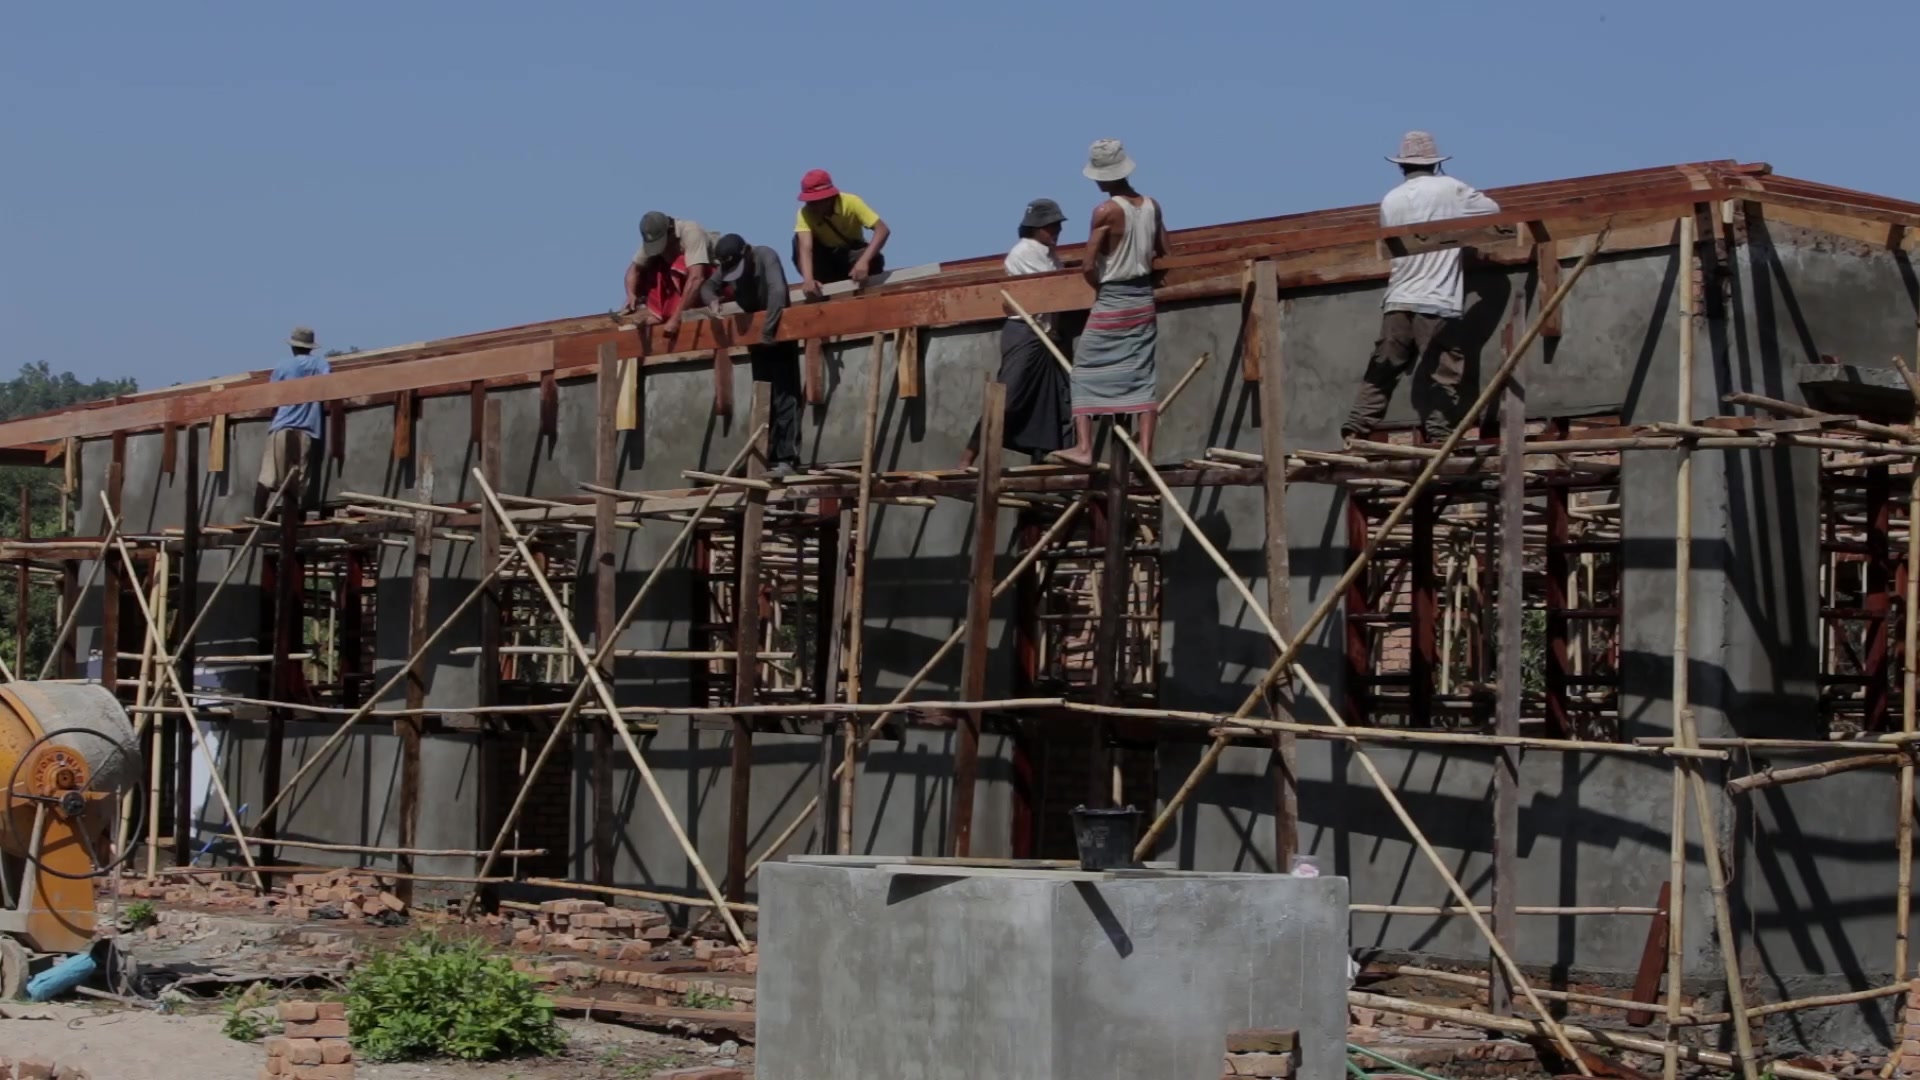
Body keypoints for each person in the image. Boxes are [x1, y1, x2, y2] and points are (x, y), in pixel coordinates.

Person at [1340, 131, 1501, 443]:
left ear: (1402, 166)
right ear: (1435, 164)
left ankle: (1355, 429)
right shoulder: (1450, 188)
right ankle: (1440, 436)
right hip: (1436, 299)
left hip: (1398, 298)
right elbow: (1493, 211)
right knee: (1443, 371)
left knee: (1384, 367)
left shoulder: (1391, 200)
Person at [1054, 139, 1168, 467]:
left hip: (1114, 297)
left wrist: (1099, 287)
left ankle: (1085, 448)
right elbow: (1164, 250)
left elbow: (1089, 264)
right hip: (1143, 298)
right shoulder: (1152, 206)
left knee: (1085, 370)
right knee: (1141, 373)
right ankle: (1145, 452)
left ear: (1102, 177)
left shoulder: (1105, 211)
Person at [961, 199, 1073, 469]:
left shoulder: (1050, 254)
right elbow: (1046, 292)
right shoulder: (1025, 252)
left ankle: (1042, 462)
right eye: (1051, 226)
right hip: (1026, 331)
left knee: (1051, 402)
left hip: (1045, 335)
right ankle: (968, 456)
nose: (1057, 231)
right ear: (1037, 228)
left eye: (1058, 225)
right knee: (1008, 397)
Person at [704, 234, 804, 477]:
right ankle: (762, 457)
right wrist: (713, 301)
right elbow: (707, 287)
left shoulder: (764, 255)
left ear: (746, 251)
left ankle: (786, 458)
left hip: (778, 332)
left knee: (784, 395)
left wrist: (768, 332)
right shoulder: (728, 267)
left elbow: (778, 293)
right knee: (762, 397)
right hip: (757, 338)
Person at [256, 326, 330, 517]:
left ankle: (258, 518)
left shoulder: (283, 366)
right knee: (296, 480)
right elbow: (330, 385)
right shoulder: (321, 365)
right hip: (307, 430)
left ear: (293, 347)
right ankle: (292, 524)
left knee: (268, 476)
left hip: (282, 427)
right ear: (311, 347)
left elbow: (272, 398)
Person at [792, 169, 890, 297]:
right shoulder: (805, 213)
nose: (812, 206)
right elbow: (806, 248)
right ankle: (819, 285)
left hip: (849, 258)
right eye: (809, 202)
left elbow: (882, 230)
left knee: (873, 258)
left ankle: (862, 283)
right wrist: (808, 280)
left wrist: (863, 262)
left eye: (816, 202)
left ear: (828, 198)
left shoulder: (851, 202)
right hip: (825, 261)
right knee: (797, 239)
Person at [622, 211, 718, 335]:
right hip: (678, 287)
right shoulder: (652, 239)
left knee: (681, 263)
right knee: (652, 265)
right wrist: (631, 295)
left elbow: (696, 278)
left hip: (710, 283)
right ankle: (658, 311)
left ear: (670, 230)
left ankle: (669, 312)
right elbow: (633, 270)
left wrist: (676, 319)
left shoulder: (691, 231)